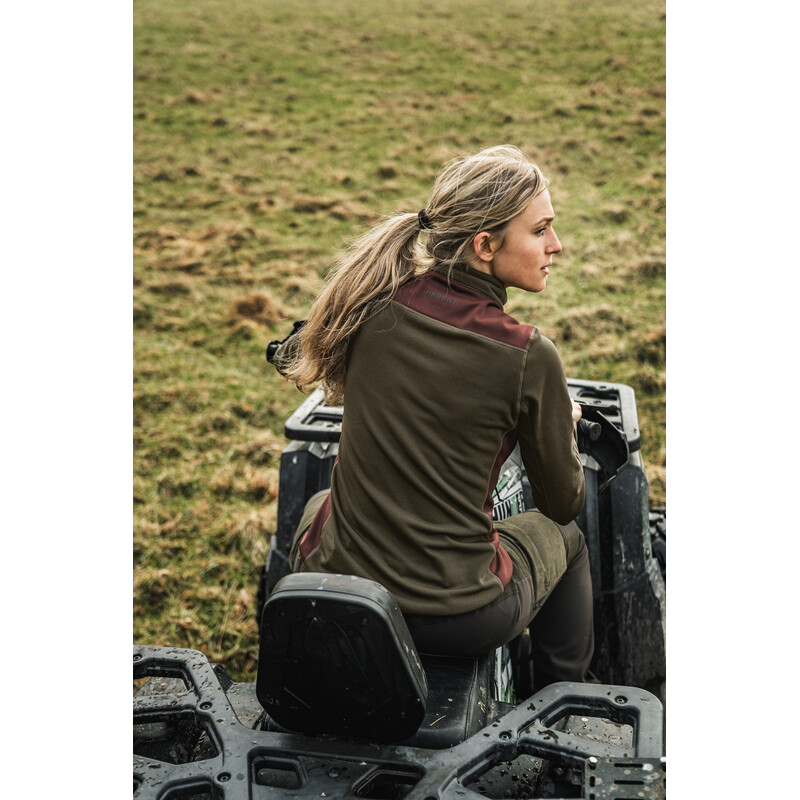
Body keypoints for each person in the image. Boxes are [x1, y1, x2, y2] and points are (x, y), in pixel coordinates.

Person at [274, 145, 593, 688]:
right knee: (568, 537)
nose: (556, 245)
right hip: (460, 615)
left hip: (336, 586)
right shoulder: (528, 355)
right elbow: (563, 501)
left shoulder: (370, 304)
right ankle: (562, 706)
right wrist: (561, 424)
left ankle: (293, 647)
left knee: (320, 504)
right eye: (540, 230)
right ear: (485, 245)